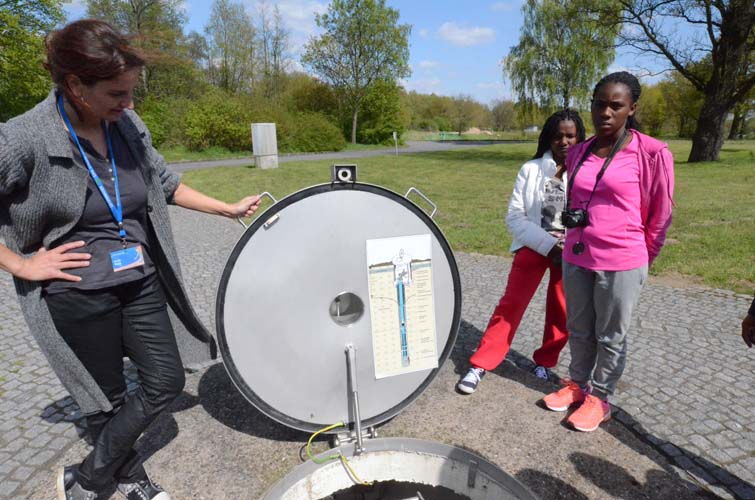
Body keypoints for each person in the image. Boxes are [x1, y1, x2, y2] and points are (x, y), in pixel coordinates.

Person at [0, 20, 262, 500]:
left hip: (138, 278)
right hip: (76, 293)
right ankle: (127, 476)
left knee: (165, 380)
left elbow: (165, 183)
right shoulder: (24, 138)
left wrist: (226, 209)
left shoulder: (127, 127)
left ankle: (88, 477)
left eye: (131, 92)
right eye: (117, 93)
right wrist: (21, 265)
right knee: (107, 399)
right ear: (76, 85)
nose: (130, 104)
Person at [542, 72, 675, 432]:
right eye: (600, 104)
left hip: (622, 260)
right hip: (577, 256)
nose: (606, 112)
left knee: (610, 334)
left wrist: (641, 258)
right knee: (579, 328)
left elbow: (661, 214)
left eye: (616, 105)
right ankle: (577, 384)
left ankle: (600, 398)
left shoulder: (651, 152)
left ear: (632, 108)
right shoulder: (579, 151)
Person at [457, 109, 586, 394]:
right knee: (510, 306)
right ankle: (481, 363)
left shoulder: (586, 172)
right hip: (535, 245)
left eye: (570, 136)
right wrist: (548, 246)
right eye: (558, 136)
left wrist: (568, 245)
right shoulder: (531, 170)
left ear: (579, 138)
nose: (564, 142)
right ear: (548, 138)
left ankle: (545, 363)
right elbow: (515, 217)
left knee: (562, 311)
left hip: (570, 252)